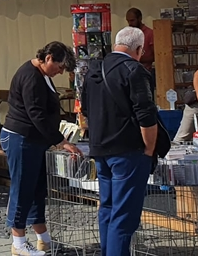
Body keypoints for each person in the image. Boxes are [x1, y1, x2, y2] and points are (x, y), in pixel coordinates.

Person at [81, 26, 158, 256]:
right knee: (124, 216)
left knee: (108, 208)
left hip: (100, 148)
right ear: (139, 49)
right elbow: (146, 114)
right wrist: (149, 149)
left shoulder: (93, 70)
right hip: (127, 151)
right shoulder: (134, 70)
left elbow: (85, 109)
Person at [2, 41, 82, 256]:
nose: (60, 71)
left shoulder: (43, 75)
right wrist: (61, 140)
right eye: (60, 66)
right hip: (21, 138)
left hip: (33, 140)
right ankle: (18, 243)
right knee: (22, 190)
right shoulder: (31, 76)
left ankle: (43, 239)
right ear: (48, 58)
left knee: (37, 190)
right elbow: (36, 113)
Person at [125, 8, 155, 74]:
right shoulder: (128, 33)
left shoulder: (150, 33)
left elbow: (156, 56)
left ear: (139, 18)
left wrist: (137, 59)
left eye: (132, 20)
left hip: (146, 71)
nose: (130, 23)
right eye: (128, 21)